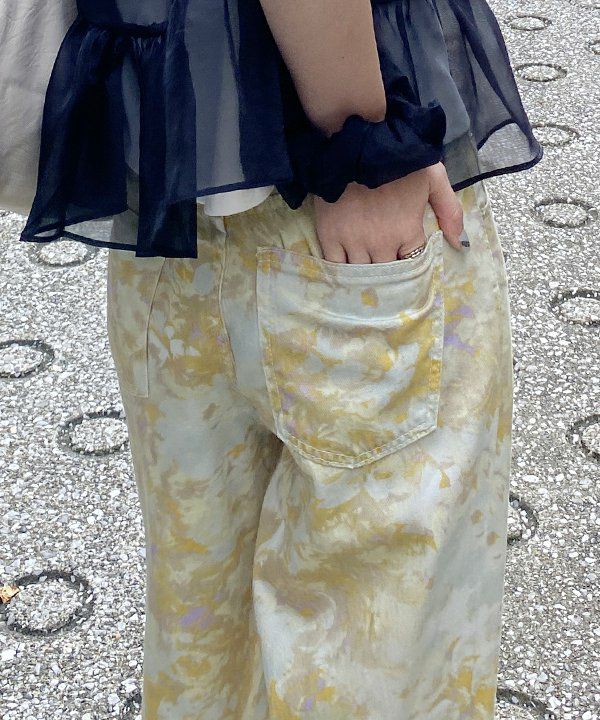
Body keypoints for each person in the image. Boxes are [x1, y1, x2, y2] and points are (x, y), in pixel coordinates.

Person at [10, 0, 543, 717]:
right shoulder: (357, 152)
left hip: (172, 194)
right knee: (380, 650)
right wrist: (366, 148)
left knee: (204, 623)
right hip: (338, 184)